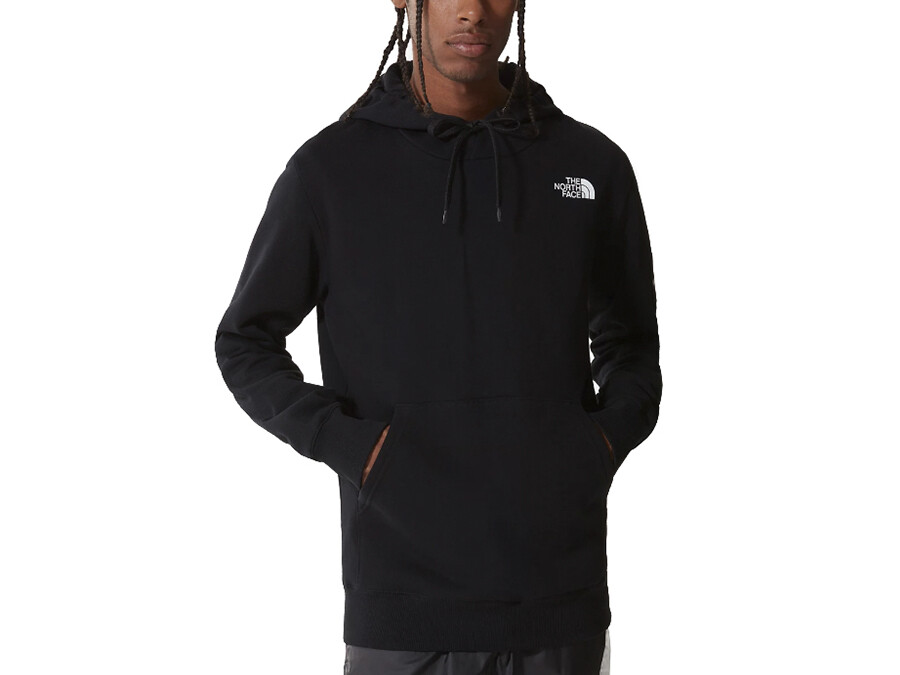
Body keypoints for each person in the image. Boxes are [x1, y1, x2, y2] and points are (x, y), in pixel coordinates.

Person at [214, 0, 662, 672]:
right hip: (402, 604)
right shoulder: (331, 170)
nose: (473, 11)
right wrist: (354, 447)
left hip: (559, 597)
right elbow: (245, 341)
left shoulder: (591, 163)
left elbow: (632, 343)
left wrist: (595, 446)